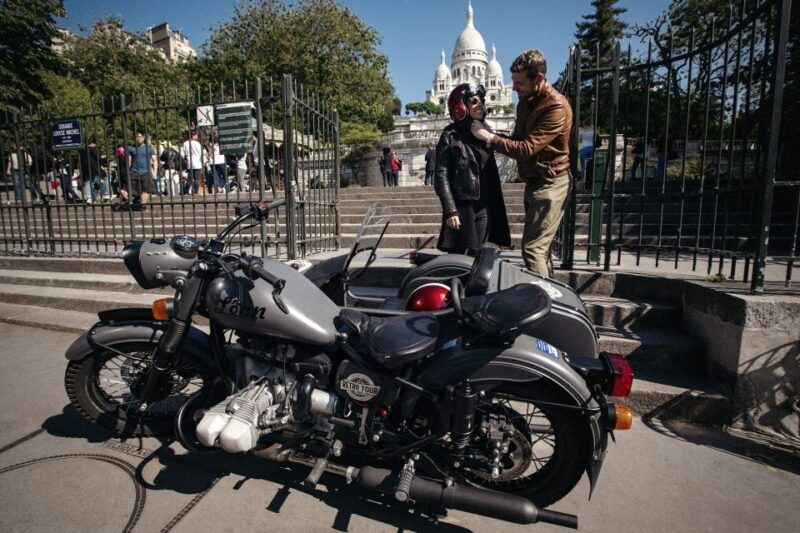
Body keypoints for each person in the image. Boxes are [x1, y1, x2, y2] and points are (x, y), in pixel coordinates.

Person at [471, 49, 572, 277]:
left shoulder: (555, 106)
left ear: (538, 79)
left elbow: (526, 149)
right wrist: (493, 134)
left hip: (551, 182)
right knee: (540, 250)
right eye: (513, 82)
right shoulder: (525, 102)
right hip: (535, 181)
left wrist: (489, 138)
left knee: (533, 249)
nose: (514, 87)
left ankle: (542, 304)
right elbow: (518, 140)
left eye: (519, 83)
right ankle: (550, 295)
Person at [434, 83, 510, 253]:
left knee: (480, 256)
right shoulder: (450, 134)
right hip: (462, 207)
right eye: (474, 101)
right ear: (461, 106)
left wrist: (486, 135)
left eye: (482, 100)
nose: (480, 104)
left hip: (484, 206)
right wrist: (450, 209)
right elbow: (441, 174)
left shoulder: (486, 133)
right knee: (459, 259)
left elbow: (514, 146)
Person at [125, 129, 157, 207]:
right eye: (137, 136)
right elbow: (128, 160)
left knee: (146, 189)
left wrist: (154, 172)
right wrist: (127, 171)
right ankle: (138, 197)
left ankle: (143, 205)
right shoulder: (130, 148)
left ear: (144, 137)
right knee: (131, 191)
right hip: (134, 172)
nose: (139, 138)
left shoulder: (149, 148)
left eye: (141, 137)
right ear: (135, 137)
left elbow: (154, 160)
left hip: (146, 172)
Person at [181, 130, 203, 195]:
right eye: (196, 135)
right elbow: (200, 153)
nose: (197, 136)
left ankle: (186, 191)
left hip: (189, 163)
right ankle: (195, 191)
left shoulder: (185, 143)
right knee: (196, 178)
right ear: (192, 136)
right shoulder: (197, 143)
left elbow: (184, 153)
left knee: (190, 179)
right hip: (197, 163)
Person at [578, 120, 594, 184]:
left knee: (583, 166)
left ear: (584, 124)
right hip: (592, 148)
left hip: (584, 148)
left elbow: (578, 140)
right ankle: (590, 180)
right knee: (591, 165)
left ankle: (583, 180)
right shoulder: (593, 130)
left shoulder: (581, 130)